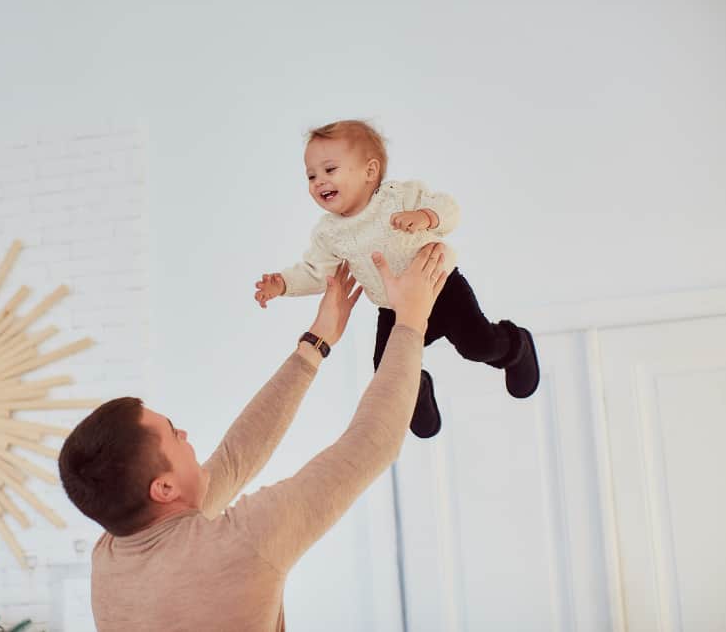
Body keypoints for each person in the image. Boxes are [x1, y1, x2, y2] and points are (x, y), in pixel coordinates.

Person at [58, 243, 447, 631]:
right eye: (173, 434)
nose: (184, 433)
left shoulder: (109, 557)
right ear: (162, 488)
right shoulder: (239, 544)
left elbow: (233, 459)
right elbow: (369, 445)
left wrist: (316, 342)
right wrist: (411, 319)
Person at [253, 119, 540, 438]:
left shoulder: (398, 197)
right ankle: (417, 392)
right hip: (395, 310)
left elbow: (449, 208)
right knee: (388, 373)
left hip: (442, 289)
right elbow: (316, 273)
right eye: (311, 176)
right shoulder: (330, 233)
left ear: (370, 171)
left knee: (478, 345)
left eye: (329, 170)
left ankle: (516, 345)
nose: (319, 181)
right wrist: (282, 284)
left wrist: (425, 217)